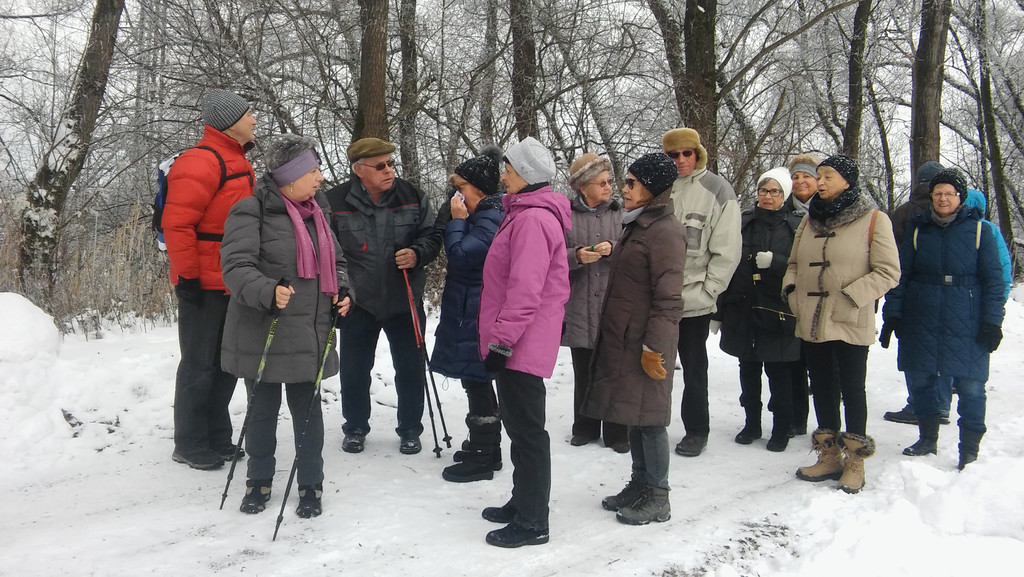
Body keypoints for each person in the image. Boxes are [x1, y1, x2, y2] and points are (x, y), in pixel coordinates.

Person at [220, 134, 353, 517]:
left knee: (308, 415)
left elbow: (339, 264)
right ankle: (258, 482)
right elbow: (235, 267)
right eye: (312, 171)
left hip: (311, 331)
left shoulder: (318, 213)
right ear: (289, 176)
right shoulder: (251, 210)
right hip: (265, 328)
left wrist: (344, 292)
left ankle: (311, 485)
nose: (320, 178)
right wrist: (268, 290)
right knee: (261, 414)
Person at [783, 154, 900, 493]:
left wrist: (849, 297)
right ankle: (829, 456)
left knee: (851, 387)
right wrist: (792, 292)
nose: (820, 182)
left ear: (847, 181)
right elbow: (793, 264)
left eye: (828, 176)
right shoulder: (809, 221)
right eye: (818, 176)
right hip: (812, 318)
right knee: (821, 385)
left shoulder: (874, 220)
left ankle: (856, 461)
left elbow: (888, 271)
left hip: (849, 318)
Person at [582, 153, 685, 525]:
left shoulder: (665, 232)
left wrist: (654, 347)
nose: (623, 190)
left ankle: (658, 495)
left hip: (646, 341)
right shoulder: (638, 224)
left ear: (651, 188)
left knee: (651, 419)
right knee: (635, 415)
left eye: (630, 183)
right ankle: (639, 484)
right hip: (626, 336)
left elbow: (669, 299)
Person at [477, 136, 570, 548]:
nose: (504, 176)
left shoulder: (533, 219)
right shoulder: (524, 213)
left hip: (520, 342)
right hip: (518, 339)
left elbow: (525, 290)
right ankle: (522, 502)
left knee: (529, 432)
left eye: (509, 169)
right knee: (519, 426)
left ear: (526, 175)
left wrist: (502, 343)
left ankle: (534, 521)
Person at [880, 169, 1005, 469]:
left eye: (949, 193)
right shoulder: (917, 229)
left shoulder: (980, 231)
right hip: (922, 314)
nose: (943, 198)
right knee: (921, 378)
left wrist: (992, 321)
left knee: (972, 385)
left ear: (960, 197)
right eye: (938, 194)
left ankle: (970, 448)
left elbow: (994, 281)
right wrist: (893, 313)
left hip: (967, 317)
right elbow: (902, 275)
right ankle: (927, 438)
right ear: (931, 197)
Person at [326, 138, 442, 455]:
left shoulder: (412, 196)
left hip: (403, 298)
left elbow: (432, 235)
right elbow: (326, 251)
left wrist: (418, 253)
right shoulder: (334, 201)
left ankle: (410, 429)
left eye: (390, 163)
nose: (389, 169)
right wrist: (339, 289)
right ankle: (355, 428)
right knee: (354, 369)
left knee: (410, 368)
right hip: (358, 300)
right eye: (380, 165)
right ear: (359, 170)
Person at [164, 89, 257, 470]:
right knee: (200, 363)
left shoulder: (236, 159)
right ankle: (189, 442)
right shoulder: (200, 161)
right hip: (204, 281)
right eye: (249, 114)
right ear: (228, 121)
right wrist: (188, 278)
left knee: (226, 363)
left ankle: (217, 435)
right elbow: (177, 224)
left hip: (231, 280)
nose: (254, 119)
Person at [662, 128, 742, 457]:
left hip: (695, 298)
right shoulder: (658, 188)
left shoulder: (718, 189)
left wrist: (710, 290)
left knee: (694, 368)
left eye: (687, 153)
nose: (681, 160)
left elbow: (728, 250)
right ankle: (648, 424)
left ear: (698, 154)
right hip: (657, 297)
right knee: (652, 365)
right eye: (673, 155)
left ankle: (697, 430)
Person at [430, 145, 506, 483]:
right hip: (468, 310)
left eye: (461, 188)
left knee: (477, 382)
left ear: (478, 189)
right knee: (476, 382)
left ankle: (482, 457)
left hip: (476, 314)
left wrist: (457, 221)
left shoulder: (488, 217)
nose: (456, 195)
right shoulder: (483, 216)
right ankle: (488, 449)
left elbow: (461, 255)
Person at [717, 168, 804, 452]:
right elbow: (726, 260)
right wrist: (720, 310)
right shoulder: (743, 222)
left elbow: (802, 263)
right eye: (763, 190)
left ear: (785, 195)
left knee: (778, 371)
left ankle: (781, 427)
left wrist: (776, 262)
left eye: (774, 191)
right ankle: (751, 422)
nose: (767, 196)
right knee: (748, 368)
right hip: (743, 306)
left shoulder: (796, 225)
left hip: (777, 309)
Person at [562, 152, 627, 453]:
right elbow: (551, 256)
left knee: (613, 370)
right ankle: (584, 426)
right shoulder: (566, 215)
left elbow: (633, 250)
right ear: (582, 187)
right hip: (579, 304)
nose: (607, 187)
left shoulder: (621, 213)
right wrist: (575, 257)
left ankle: (617, 431)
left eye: (608, 181)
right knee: (584, 370)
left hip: (613, 305)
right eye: (600, 182)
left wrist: (613, 248)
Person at [882, 160, 946, 426]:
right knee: (943, 349)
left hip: (909, 290)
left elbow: (891, 253)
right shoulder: (951, 210)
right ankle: (941, 404)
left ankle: (917, 404)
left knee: (913, 350)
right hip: (947, 293)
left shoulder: (903, 212)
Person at [784, 154, 822, 437]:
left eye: (806, 176)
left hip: (823, 296)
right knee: (793, 362)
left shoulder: (829, 210)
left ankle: (828, 422)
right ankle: (796, 417)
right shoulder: (781, 209)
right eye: (795, 177)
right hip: (791, 295)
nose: (800, 182)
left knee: (822, 364)